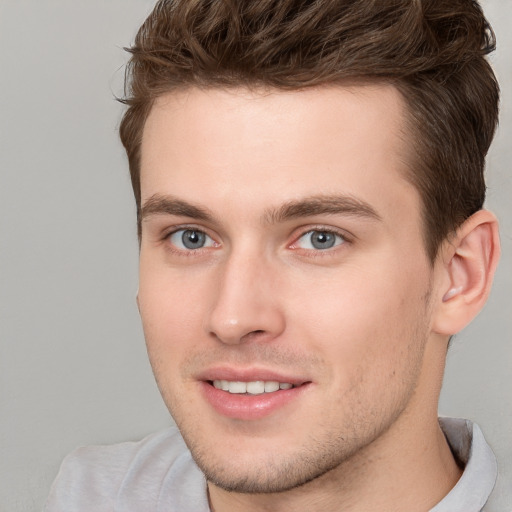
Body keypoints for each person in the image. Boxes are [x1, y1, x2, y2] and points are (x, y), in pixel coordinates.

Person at [45, 0, 502, 510]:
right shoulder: (89, 496)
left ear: (460, 275)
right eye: (191, 237)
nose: (233, 317)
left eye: (320, 239)